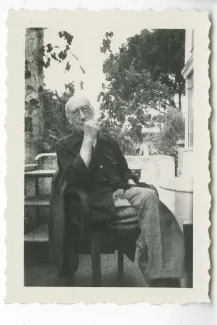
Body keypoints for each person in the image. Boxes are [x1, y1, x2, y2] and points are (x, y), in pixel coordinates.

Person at [55, 95, 185, 287]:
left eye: (85, 109)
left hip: (122, 193)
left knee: (148, 196)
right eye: (76, 112)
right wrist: (88, 140)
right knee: (156, 216)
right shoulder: (63, 146)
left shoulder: (109, 141)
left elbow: (125, 172)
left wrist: (132, 183)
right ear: (69, 118)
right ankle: (162, 279)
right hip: (95, 203)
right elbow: (77, 179)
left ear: (93, 110)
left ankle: (160, 274)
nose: (83, 116)